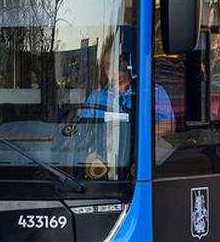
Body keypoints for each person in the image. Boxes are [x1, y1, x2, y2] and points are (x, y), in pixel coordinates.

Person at [74, 46, 175, 174]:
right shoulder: (96, 97)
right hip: (103, 163)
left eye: (119, 66)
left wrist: (130, 131)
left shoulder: (154, 92)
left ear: (129, 66)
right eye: (108, 66)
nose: (114, 72)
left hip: (141, 160)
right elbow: (85, 131)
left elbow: (168, 126)